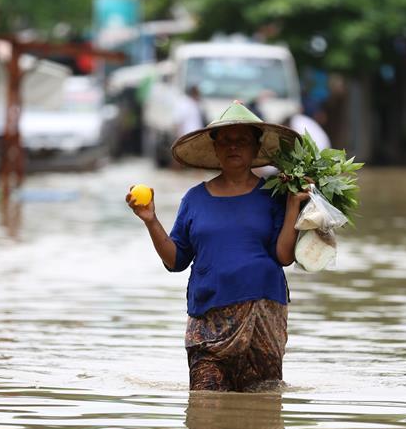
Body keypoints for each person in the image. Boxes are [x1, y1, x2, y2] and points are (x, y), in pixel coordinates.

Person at [126, 101, 307, 391]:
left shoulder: (275, 195)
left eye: (242, 141)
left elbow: (284, 256)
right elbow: (176, 260)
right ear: (215, 148)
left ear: (255, 148)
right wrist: (150, 220)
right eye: (226, 141)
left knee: (262, 409)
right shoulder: (194, 199)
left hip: (263, 316)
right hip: (208, 322)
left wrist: (293, 207)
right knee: (204, 406)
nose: (233, 147)